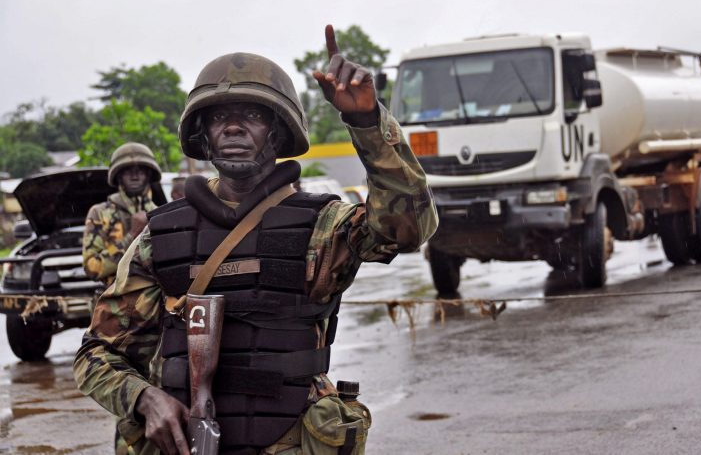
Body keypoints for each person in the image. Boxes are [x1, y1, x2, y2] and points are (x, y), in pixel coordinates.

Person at [74, 25, 438, 455]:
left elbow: (410, 227)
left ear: (279, 133)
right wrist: (143, 398)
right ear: (202, 135)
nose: (232, 128)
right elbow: (96, 355)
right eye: (217, 117)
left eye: (253, 115)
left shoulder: (323, 227)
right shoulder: (160, 236)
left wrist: (366, 121)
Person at [82, 142, 162, 286]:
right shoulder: (100, 214)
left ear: (149, 175)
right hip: (113, 302)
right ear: (118, 176)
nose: (135, 176)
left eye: (141, 171)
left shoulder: (159, 213)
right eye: (128, 171)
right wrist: (131, 236)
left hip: (154, 299)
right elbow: (92, 268)